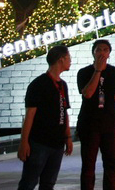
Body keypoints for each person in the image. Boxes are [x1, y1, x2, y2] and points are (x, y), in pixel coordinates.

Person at [18, 45, 74, 190]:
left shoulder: (63, 85)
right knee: (29, 182)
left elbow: (64, 111)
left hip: (57, 143)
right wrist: (24, 142)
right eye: (68, 58)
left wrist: (67, 137)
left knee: (48, 184)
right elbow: (29, 115)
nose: (70, 61)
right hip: (39, 143)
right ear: (61, 60)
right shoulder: (39, 84)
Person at [76, 39, 115, 190]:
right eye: (98, 50)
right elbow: (88, 94)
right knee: (89, 163)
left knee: (111, 161)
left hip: (108, 123)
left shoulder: (114, 72)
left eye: (105, 50)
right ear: (93, 52)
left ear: (109, 53)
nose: (102, 52)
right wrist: (97, 71)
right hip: (89, 123)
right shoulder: (84, 72)